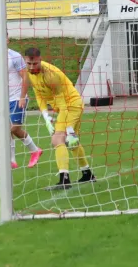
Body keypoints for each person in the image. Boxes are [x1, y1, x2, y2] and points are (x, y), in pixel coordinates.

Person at [24, 47, 95, 190]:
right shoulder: (29, 72)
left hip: (71, 105)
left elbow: (63, 105)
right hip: (63, 107)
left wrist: (69, 130)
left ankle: (64, 180)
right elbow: (39, 95)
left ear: (40, 60)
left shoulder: (51, 75)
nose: (32, 67)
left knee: (58, 139)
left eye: (35, 64)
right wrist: (45, 116)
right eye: (29, 64)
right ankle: (87, 174)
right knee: (71, 142)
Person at [0, 36, 42, 169]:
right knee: (6, 130)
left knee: (14, 129)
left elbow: (25, 76)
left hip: (17, 99)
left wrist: (22, 96)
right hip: (4, 100)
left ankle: (35, 150)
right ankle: (12, 160)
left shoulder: (14, 56)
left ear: (7, 40)